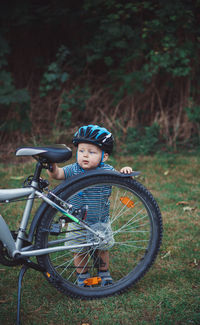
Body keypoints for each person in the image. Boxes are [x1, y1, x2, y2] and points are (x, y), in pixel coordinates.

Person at [47, 125, 132, 286]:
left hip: (100, 220)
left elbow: (123, 180)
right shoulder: (73, 170)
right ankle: (83, 276)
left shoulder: (107, 170)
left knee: (102, 249)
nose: (85, 155)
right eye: (81, 151)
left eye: (91, 152)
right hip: (76, 221)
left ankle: (104, 273)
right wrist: (52, 166)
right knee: (79, 251)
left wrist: (125, 171)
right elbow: (58, 175)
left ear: (104, 156)